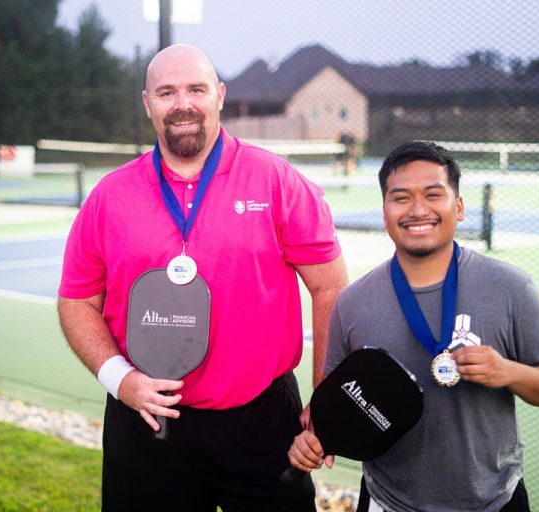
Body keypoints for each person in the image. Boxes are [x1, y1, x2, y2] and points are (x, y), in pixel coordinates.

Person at [57, 44, 348, 511]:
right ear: (147, 103)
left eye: (196, 89)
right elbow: (76, 300)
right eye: (166, 92)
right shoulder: (110, 196)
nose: (183, 104)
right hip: (145, 419)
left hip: (261, 423)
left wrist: (326, 395)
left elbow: (329, 286)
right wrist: (120, 380)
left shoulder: (275, 180)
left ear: (219, 95)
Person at [288, 141, 539, 512]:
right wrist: (311, 442)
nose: (418, 209)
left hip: (494, 501)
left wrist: (508, 372)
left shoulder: (512, 288)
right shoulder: (353, 302)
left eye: (433, 194)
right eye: (401, 198)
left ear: (459, 207)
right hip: (387, 502)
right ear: (385, 212)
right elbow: (337, 405)